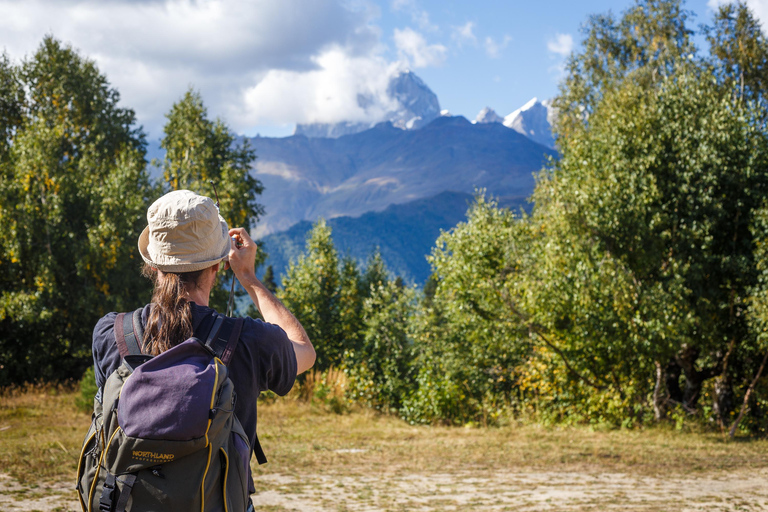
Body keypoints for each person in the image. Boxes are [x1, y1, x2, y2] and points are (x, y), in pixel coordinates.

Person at [91, 189, 315, 508]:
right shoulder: (249, 341)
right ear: (217, 266)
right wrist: (248, 276)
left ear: (152, 265)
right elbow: (304, 350)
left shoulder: (111, 334)